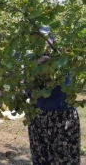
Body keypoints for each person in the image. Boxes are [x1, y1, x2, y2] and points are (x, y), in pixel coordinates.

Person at [27, 26, 80, 165]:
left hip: (62, 116)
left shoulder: (61, 58)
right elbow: (27, 89)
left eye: (41, 37)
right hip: (38, 116)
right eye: (34, 38)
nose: (38, 42)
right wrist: (34, 68)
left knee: (63, 157)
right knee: (40, 156)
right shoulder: (32, 60)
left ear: (50, 39)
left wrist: (53, 67)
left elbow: (66, 89)